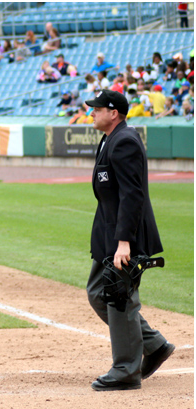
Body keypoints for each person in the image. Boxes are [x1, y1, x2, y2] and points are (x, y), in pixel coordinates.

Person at [84, 89, 174, 391]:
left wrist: (125, 242)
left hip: (125, 236)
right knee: (98, 292)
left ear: (114, 113)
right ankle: (155, 345)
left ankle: (125, 370)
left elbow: (132, 195)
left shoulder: (124, 141)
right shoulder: (110, 138)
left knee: (118, 295)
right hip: (109, 233)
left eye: (97, 109)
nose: (92, 112)